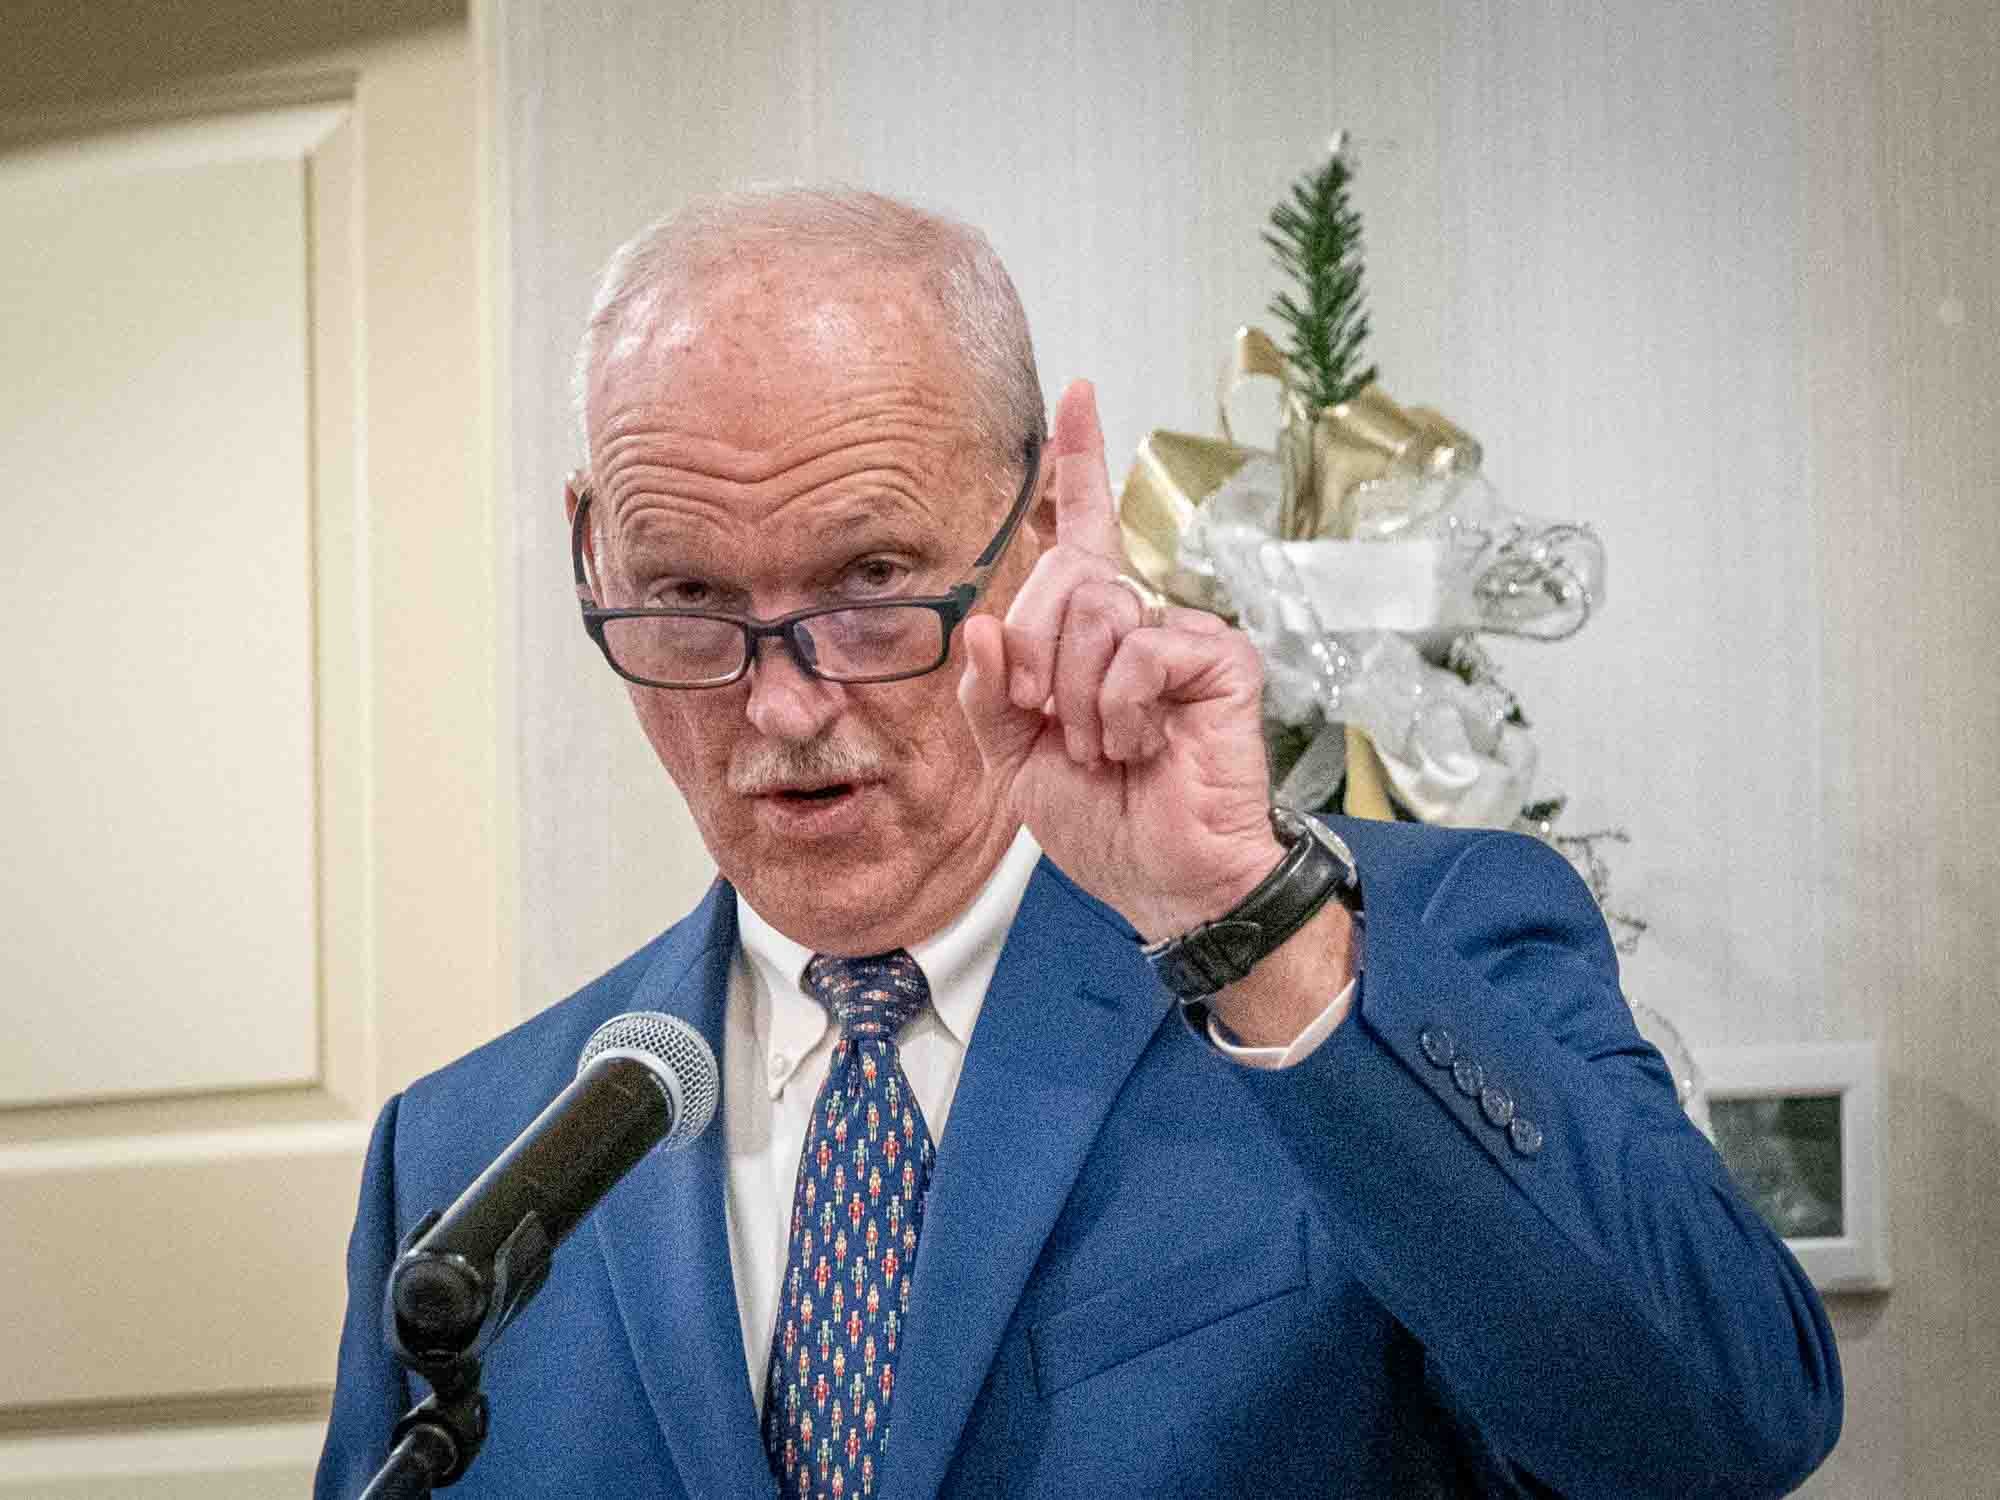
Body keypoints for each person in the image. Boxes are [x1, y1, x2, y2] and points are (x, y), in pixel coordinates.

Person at [317, 187, 1840, 1499]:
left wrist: (1245, 921)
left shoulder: (1408, 946)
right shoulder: (467, 1164)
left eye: (870, 585)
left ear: (1038, 523)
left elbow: (1716, 1434)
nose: (781, 706)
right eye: (689, 602)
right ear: (594, 544)